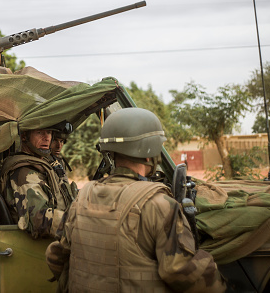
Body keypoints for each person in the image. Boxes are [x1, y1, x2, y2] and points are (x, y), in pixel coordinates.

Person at [46, 108, 226, 293]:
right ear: (150, 154)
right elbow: (181, 272)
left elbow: (56, 256)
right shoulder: (159, 204)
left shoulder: (82, 197)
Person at [0, 125, 77, 239]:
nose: (47, 138)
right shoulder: (24, 173)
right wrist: (80, 223)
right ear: (25, 136)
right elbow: (40, 220)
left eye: (49, 132)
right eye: (40, 133)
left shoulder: (42, 162)